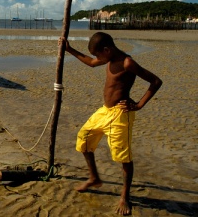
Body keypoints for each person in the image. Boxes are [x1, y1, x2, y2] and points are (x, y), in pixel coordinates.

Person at [60, 32, 162, 216]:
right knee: (83, 138)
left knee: (122, 156)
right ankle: (94, 178)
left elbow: (155, 81)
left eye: (98, 54)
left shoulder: (127, 63)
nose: (97, 58)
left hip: (121, 115)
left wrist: (138, 105)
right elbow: (91, 63)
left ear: (107, 50)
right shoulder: (108, 59)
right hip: (105, 111)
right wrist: (69, 49)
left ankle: (125, 196)